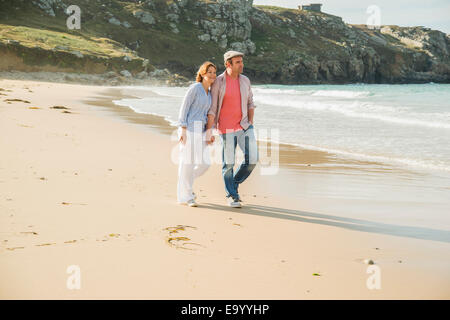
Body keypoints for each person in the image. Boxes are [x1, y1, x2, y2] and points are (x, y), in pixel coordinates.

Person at [206, 51, 258, 208]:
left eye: (241, 61)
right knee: (228, 164)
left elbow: (250, 102)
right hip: (226, 129)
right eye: (237, 62)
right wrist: (210, 130)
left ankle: (233, 183)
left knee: (253, 158)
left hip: (244, 126)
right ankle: (231, 195)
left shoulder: (245, 80)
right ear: (228, 64)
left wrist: (250, 122)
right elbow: (213, 107)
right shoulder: (219, 82)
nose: (241, 64)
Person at [177, 61, 217, 207]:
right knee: (187, 164)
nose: (212, 75)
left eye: (214, 72)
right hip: (189, 129)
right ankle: (187, 197)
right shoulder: (195, 88)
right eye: (209, 72)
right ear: (202, 74)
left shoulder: (210, 94)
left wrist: (209, 132)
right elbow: (184, 107)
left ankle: (186, 183)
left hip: (201, 131)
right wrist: (183, 129)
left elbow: (208, 115)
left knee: (205, 163)